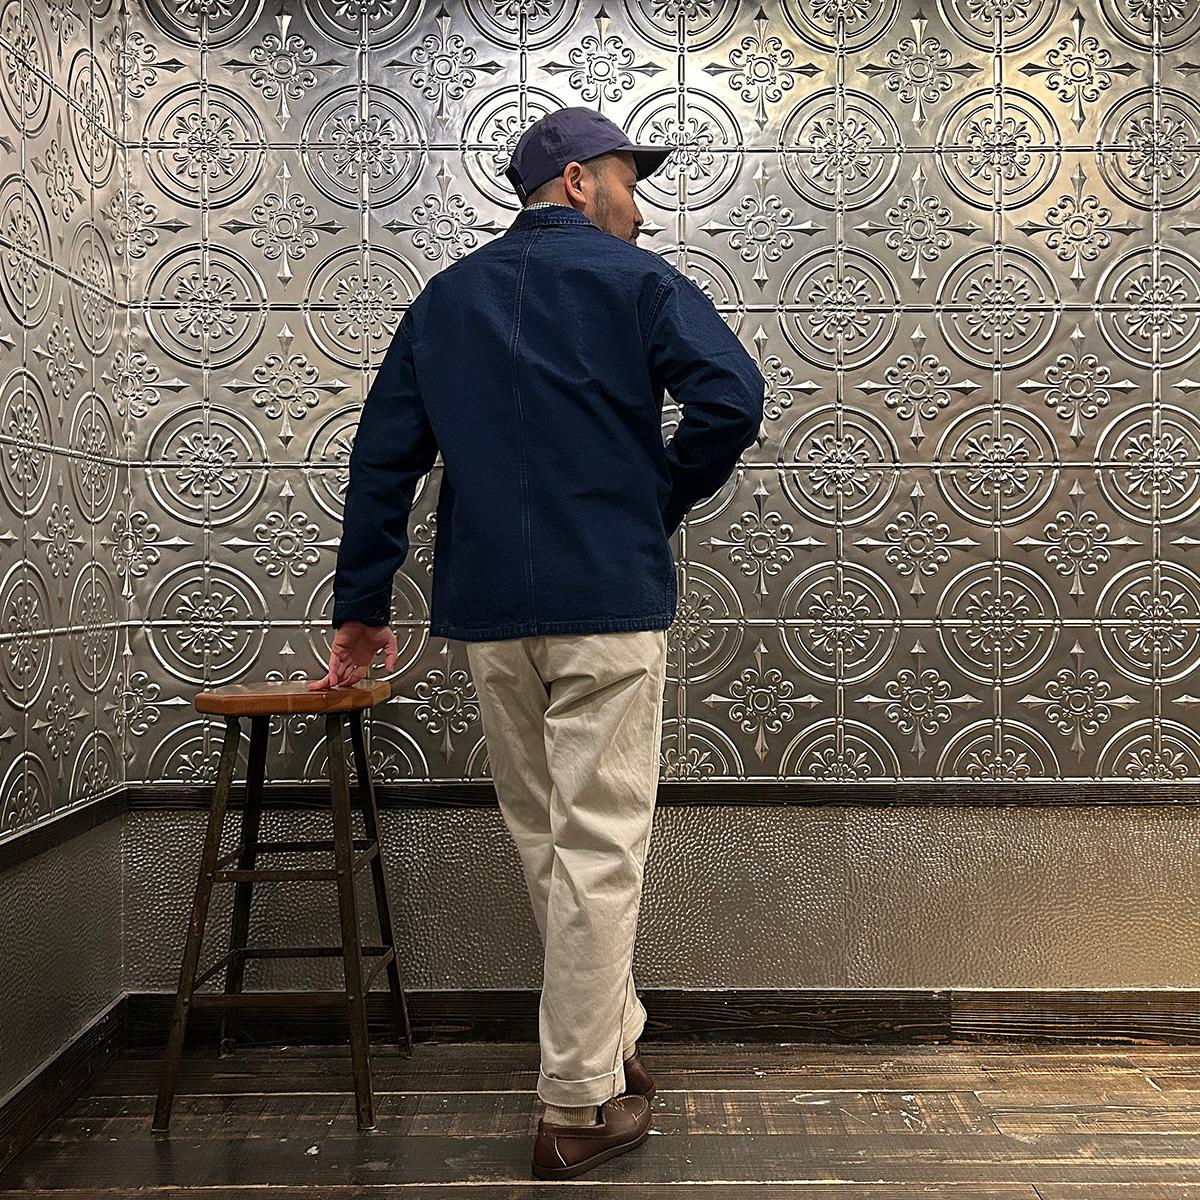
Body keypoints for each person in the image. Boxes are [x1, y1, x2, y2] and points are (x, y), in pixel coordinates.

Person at [310, 106, 765, 1179]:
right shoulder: (634, 281)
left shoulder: (444, 299)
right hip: (605, 600)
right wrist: (657, 497)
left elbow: (383, 460)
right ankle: (573, 1107)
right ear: (576, 182)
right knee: (598, 848)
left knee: (549, 843)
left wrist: (362, 605)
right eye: (628, 183)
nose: (639, 210)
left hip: (489, 616)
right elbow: (733, 398)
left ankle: (612, 1038)